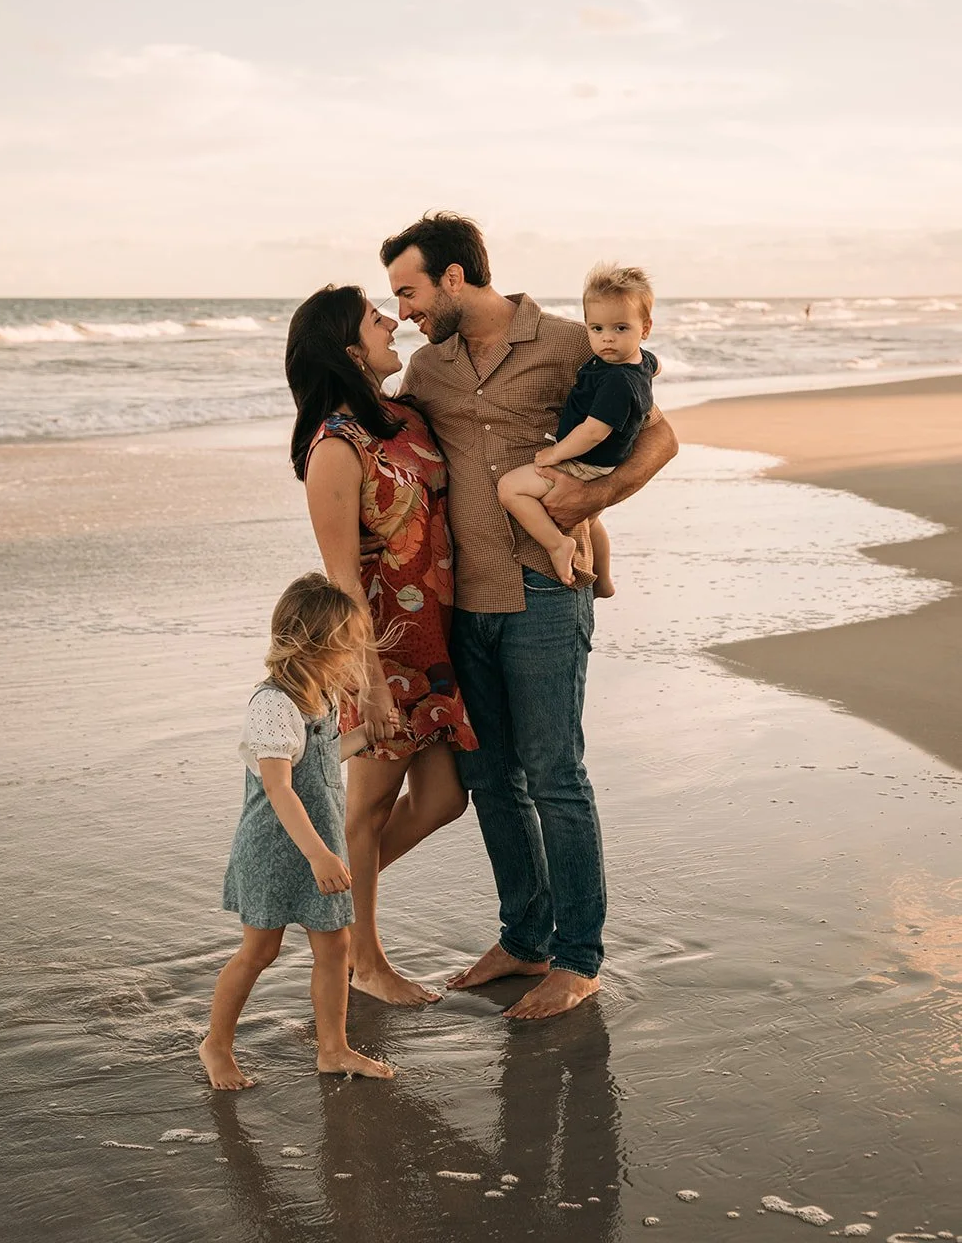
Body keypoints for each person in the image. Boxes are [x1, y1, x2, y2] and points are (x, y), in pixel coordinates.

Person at [382, 213, 677, 1020]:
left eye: (407, 290)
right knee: (491, 779)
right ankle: (523, 938)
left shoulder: (566, 340)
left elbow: (660, 437)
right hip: (460, 601)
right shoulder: (424, 369)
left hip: (544, 591)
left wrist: (596, 495)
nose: (402, 308)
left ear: (451, 277)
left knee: (555, 776)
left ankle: (578, 960)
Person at [286, 285, 477, 1007]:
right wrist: (365, 680)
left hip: (435, 637)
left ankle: (329, 891)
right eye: (376, 319)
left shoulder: (404, 417)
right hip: (377, 651)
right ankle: (362, 960)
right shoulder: (335, 445)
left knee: (442, 800)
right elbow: (341, 578)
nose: (394, 320)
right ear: (346, 350)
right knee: (365, 811)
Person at [199, 571, 397, 1090]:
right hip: (276, 848)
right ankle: (215, 1044)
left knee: (335, 947)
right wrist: (319, 856)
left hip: (320, 843)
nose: (354, 659)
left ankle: (334, 1049)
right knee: (259, 952)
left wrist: (363, 736)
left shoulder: (321, 699)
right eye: (347, 648)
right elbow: (281, 789)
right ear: (315, 647)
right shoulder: (272, 705)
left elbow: (319, 762)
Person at [497, 263, 659, 596]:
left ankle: (557, 545)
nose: (607, 339)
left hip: (586, 460)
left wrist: (555, 453)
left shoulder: (616, 380)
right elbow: (655, 365)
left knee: (511, 488)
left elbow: (592, 432)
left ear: (645, 328)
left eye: (620, 328)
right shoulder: (640, 361)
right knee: (592, 521)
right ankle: (604, 580)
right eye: (596, 328)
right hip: (607, 461)